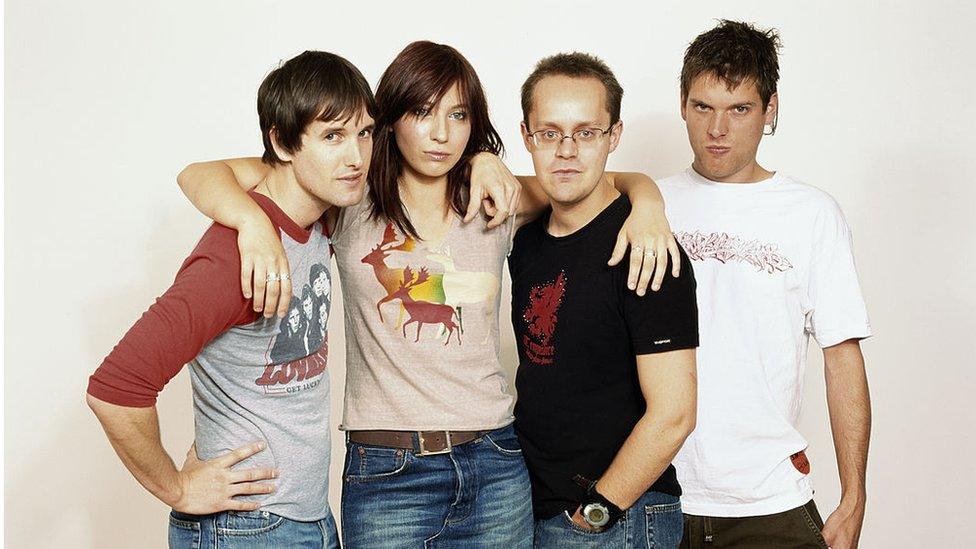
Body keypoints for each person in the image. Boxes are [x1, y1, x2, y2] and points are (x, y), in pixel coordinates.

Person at [176, 41, 679, 548]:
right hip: (387, 472)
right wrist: (250, 222)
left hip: (496, 465)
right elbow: (200, 174)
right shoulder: (350, 197)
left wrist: (650, 204)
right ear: (389, 119)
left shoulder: (496, 200)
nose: (441, 134)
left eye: (458, 115)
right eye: (421, 112)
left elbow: (591, 178)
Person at [86, 51, 376, 548]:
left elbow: (205, 172)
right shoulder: (231, 261)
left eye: (364, 133)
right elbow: (115, 389)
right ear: (283, 143)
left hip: (307, 519)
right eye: (332, 136)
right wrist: (177, 488)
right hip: (246, 528)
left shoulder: (321, 214)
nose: (356, 157)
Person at [658, 20, 873, 549]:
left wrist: (854, 497)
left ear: (770, 109)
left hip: (769, 501)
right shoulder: (644, 204)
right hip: (654, 496)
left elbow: (842, 357)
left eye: (740, 109)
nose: (718, 130)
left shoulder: (812, 214)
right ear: (682, 104)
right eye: (704, 106)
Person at [509, 52, 699, 549]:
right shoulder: (525, 242)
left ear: (614, 136)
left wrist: (597, 513)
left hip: (619, 517)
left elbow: (674, 413)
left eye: (586, 132)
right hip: (531, 509)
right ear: (526, 137)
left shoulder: (646, 251)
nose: (567, 151)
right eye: (549, 133)